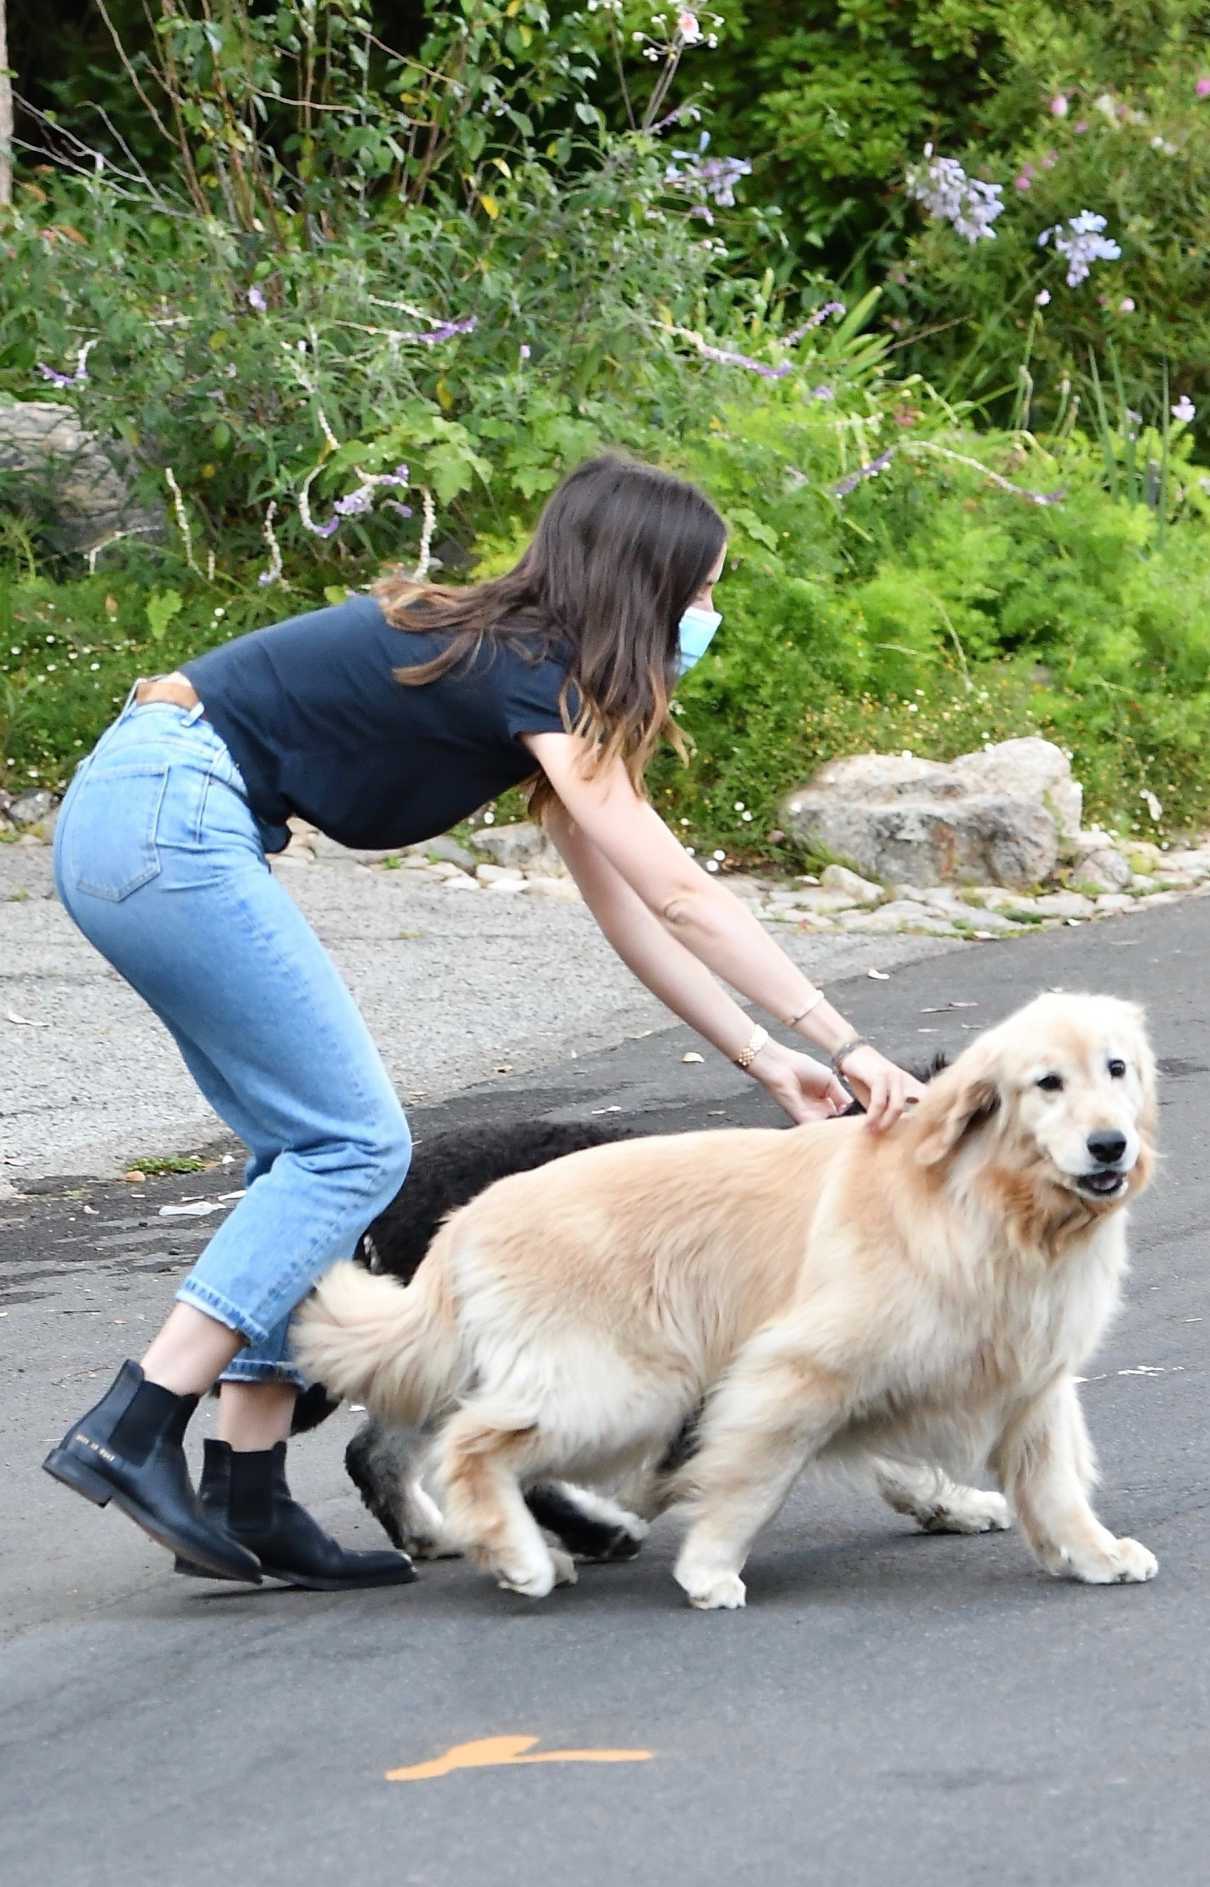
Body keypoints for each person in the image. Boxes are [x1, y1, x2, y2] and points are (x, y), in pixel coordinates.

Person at [44, 453, 923, 1590]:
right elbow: (683, 893)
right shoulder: (532, 665)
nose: (707, 619)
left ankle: (248, 1487)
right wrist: (846, 1041)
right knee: (352, 1145)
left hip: (138, 809)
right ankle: (135, 1422)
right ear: (638, 590)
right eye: (698, 594)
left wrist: (769, 1058)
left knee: (301, 1159)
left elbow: (633, 919)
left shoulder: (521, 677)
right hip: (168, 811)